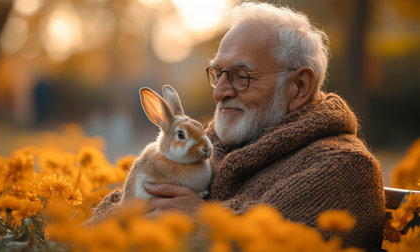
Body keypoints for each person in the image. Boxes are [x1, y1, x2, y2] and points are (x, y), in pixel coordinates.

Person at [87, 2, 385, 250]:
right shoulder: (212, 144)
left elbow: (267, 242)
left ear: (299, 86)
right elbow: (102, 221)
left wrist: (200, 218)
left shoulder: (343, 168)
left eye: (241, 75)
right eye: (218, 73)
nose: (219, 92)